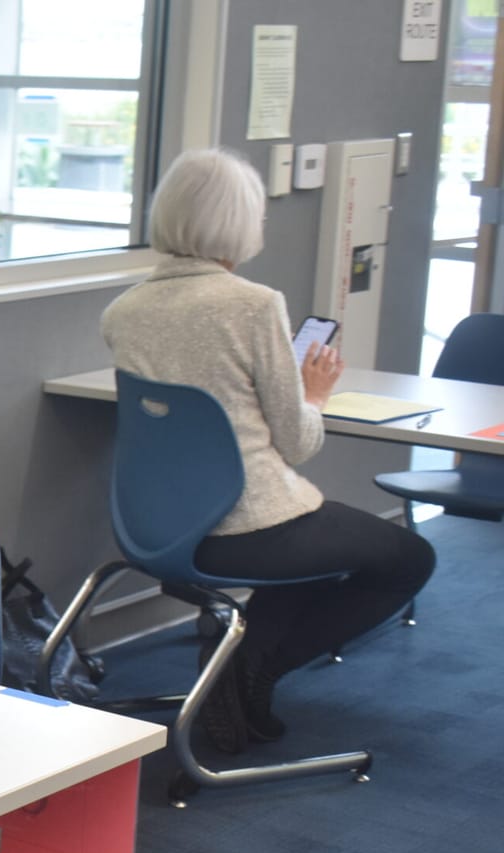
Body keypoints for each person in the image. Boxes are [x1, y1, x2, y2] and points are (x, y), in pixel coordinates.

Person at [100, 148, 436, 752]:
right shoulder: (254, 305)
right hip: (248, 524)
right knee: (408, 558)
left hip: (154, 528)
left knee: (316, 550)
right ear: (239, 223)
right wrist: (316, 393)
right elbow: (298, 442)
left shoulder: (123, 313)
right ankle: (247, 671)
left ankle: (239, 669)